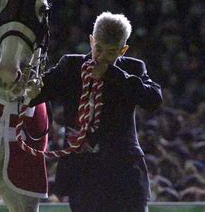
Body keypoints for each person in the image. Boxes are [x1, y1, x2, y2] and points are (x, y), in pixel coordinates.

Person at [30, 12, 162, 212]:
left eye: (110, 52)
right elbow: (36, 94)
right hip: (83, 176)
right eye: (98, 48)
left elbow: (153, 99)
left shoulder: (134, 68)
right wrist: (26, 85)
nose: (101, 57)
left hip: (125, 176)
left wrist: (113, 74)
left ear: (123, 50)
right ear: (91, 40)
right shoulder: (71, 66)